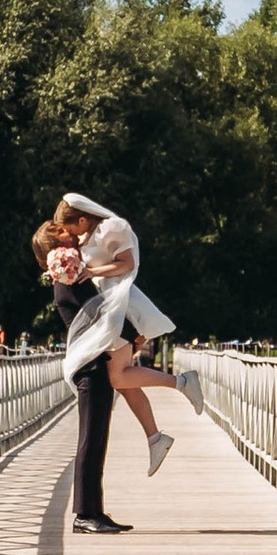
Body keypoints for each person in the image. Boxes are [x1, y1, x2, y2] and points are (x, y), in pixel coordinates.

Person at [35, 193, 203, 532]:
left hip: (96, 365)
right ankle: (86, 515)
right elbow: (100, 317)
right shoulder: (70, 284)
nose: (75, 241)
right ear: (58, 251)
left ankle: (93, 512)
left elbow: (101, 313)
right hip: (91, 368)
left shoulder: (71, 282)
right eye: (66, 238)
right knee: (90, 441)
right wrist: (135, 335)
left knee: (96, 440)